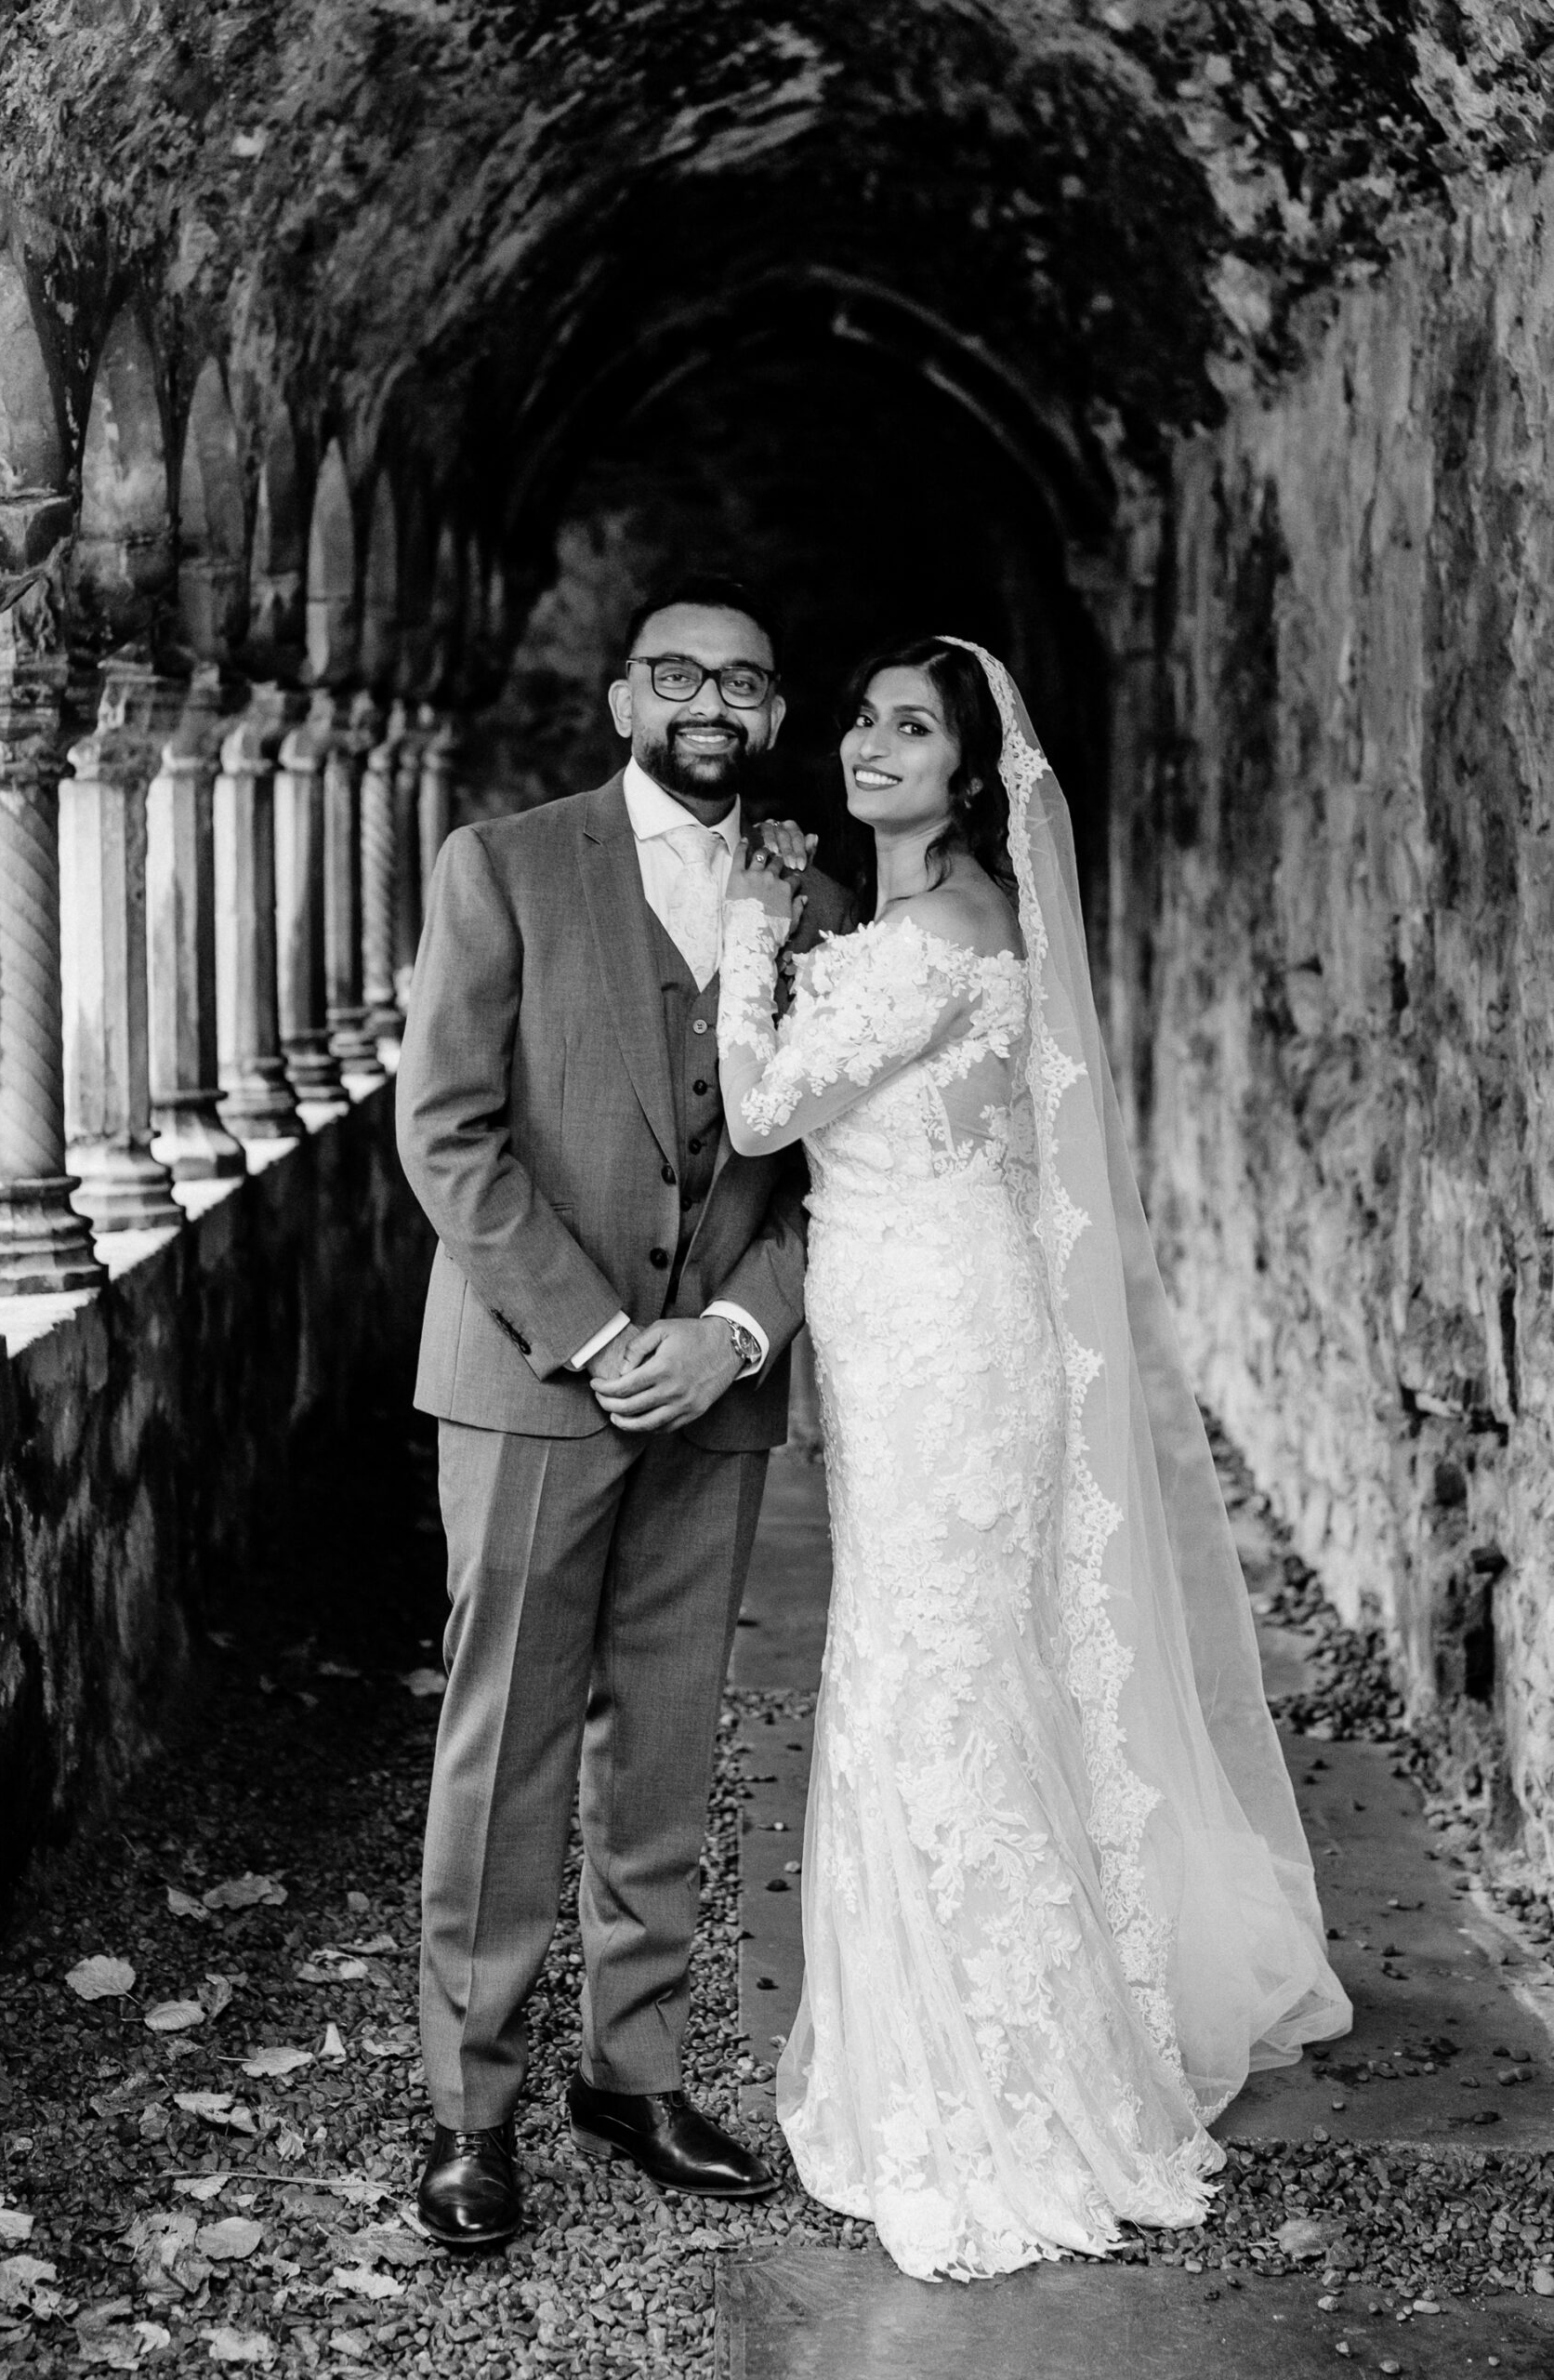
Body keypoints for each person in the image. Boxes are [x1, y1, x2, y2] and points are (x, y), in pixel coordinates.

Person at [717, 635, 1351, 2282]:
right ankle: (937, 2045)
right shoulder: (933, 926)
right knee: (943, 1663)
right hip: (919, 1320)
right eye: (860, 719)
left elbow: (762, 1113)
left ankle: (989, 2082)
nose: (870, 745)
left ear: (968, 773)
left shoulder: (932, 936)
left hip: (939, 1338)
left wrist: (739, 929)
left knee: (930, 1673)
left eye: (909, 728)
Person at [396, 576, 852, 2247]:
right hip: (533, 1386)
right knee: (506, 1740)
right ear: (621, 700)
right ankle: (470, 2108)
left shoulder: (813, 908)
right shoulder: (504, 864)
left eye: (744, 680)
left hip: (719, 1395)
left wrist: (735, 1333)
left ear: (778, 715)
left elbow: (839, 1176)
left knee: (667, 1739)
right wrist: (603, 1339)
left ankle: (635, 2069)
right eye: (678, 675)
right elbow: (448, 1136)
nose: (710, 704)